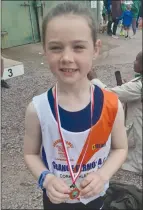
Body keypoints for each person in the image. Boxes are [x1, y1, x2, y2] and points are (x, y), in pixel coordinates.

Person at [24, 2, 128, 210]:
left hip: (96, 197)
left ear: (95, 49)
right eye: (56, 47)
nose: (67, 58)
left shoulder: (111, 105)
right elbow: (30, 154)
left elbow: (120, 148)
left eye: (78, 47)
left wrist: (103, 175)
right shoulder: (38, 109)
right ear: (44, 50)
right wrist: (46, 178)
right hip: (56, 201)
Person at [89, 51, 142, 174]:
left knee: (127, 155)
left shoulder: (138, 86)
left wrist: (94, 78)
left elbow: (108, 95)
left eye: (137, 60)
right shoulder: (138, 83)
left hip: (138, 130)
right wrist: (124, 88)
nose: (134, 62)